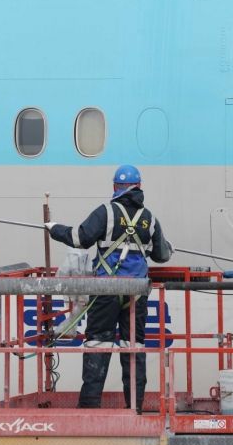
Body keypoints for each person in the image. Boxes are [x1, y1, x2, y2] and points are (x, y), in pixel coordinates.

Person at [45, 164, 172, 413]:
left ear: (115, 187)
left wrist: (54, 229)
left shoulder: (106, 212)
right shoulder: (150, 218)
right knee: (133, 347)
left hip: (106, 290)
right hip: (136, 293)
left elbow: (80, 238)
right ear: (139, 187)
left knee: (98, 345)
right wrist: (169, 246)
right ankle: (134, 407)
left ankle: (90, 406)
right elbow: (162, 255)